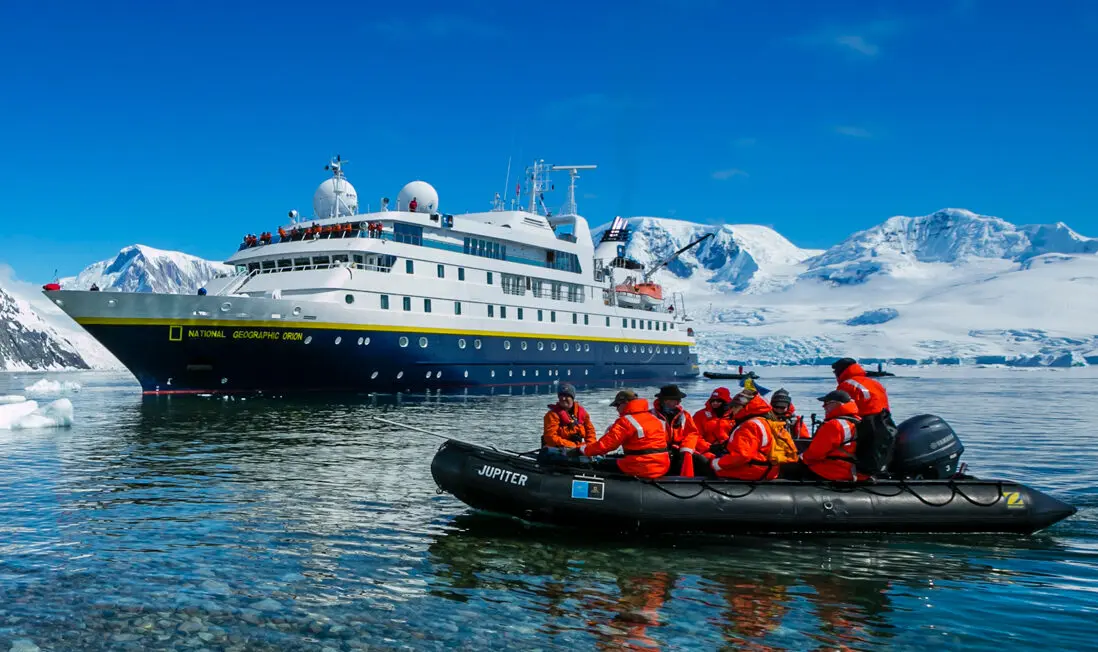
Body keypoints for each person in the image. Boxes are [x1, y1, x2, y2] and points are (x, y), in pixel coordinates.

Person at [569, 389, 670, 479]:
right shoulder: (654, 419)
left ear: (625, 403)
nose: (616, 409)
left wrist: (583, 449)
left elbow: (606, 445)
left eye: (617, 405)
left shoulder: (626, 421)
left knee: (597, 464)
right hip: (662, 466)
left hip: (641, 467)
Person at [832, 357, 898, 475]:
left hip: (866, 424)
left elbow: (842, 411)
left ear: (840, 371)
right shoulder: (874, 383)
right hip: (885, 422)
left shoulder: (846, 385)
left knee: (863, 456)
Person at [781, 390, 859, 481]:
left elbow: (814, 454)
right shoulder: (857, 421)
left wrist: (798, 458)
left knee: (786, 467)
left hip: (834, 470)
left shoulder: (834, 425)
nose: (823, 406)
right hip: (854, 469)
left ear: (837, 404)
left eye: (826, 403)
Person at [707, 391, 782, 480]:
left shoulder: (749, 425)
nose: (732, 410)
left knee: (704, 463)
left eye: (734, 407)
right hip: (768, 468)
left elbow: (742, 456)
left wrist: (716, 464)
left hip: (754, 470)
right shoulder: (765, 421)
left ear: (744, 407)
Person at [651, 384, 702, 476]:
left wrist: (686, 449)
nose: (679, 402)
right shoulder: (651, 416)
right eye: (676, 400)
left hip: (678, 451)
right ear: (665, 401)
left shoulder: (684, 415)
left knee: (702, 461)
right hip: (658, 452)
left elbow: (692, 434)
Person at [542, 383, 597, 449]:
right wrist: (574, 446)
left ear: (572, 398)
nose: (563, 398)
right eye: (561, 395)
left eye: (566, 395)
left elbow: (590, 432)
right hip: (558, 450)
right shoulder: (552, 415)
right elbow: (550, 437)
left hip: (577, 448)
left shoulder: (582, 413)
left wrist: (590, 446)